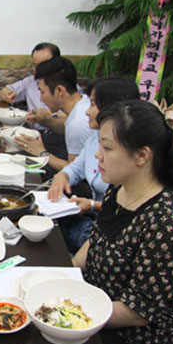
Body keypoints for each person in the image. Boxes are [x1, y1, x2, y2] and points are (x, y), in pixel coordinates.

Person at [73, 100, 173, 344]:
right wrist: (66, 268)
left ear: (142, 156)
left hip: (139, 342)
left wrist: (71, 309)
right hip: (100, 309)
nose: (98, 155)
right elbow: (97, 239)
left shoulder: (168, 219)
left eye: (107, 147)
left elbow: (137, 313)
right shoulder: (119, 188)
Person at [49, 76, 140, 253]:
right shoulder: (95, 137)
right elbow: (77, 166)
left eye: (93, 104)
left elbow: (132, 208)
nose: (87, 112)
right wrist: (62, 176)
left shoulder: (128, 153)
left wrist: (92, 205)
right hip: (93, 218)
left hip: (109, 227)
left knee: (54, 243)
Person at [14, 56, 93, 172]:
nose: (41, 99)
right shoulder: (83, 102)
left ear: (59, 90)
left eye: (42, 91)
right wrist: (46, 118)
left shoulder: (78, 123)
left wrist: (42, 152)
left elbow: (77, 172)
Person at [0, 42, 69, 165]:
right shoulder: (30, 82)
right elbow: (4, 91)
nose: (37, 70)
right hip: (32, 135)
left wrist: (47, 118)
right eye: (35, 65)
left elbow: (69, 123)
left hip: (58, 140)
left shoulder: (67, 88)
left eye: (42, 65)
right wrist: (6, 94)